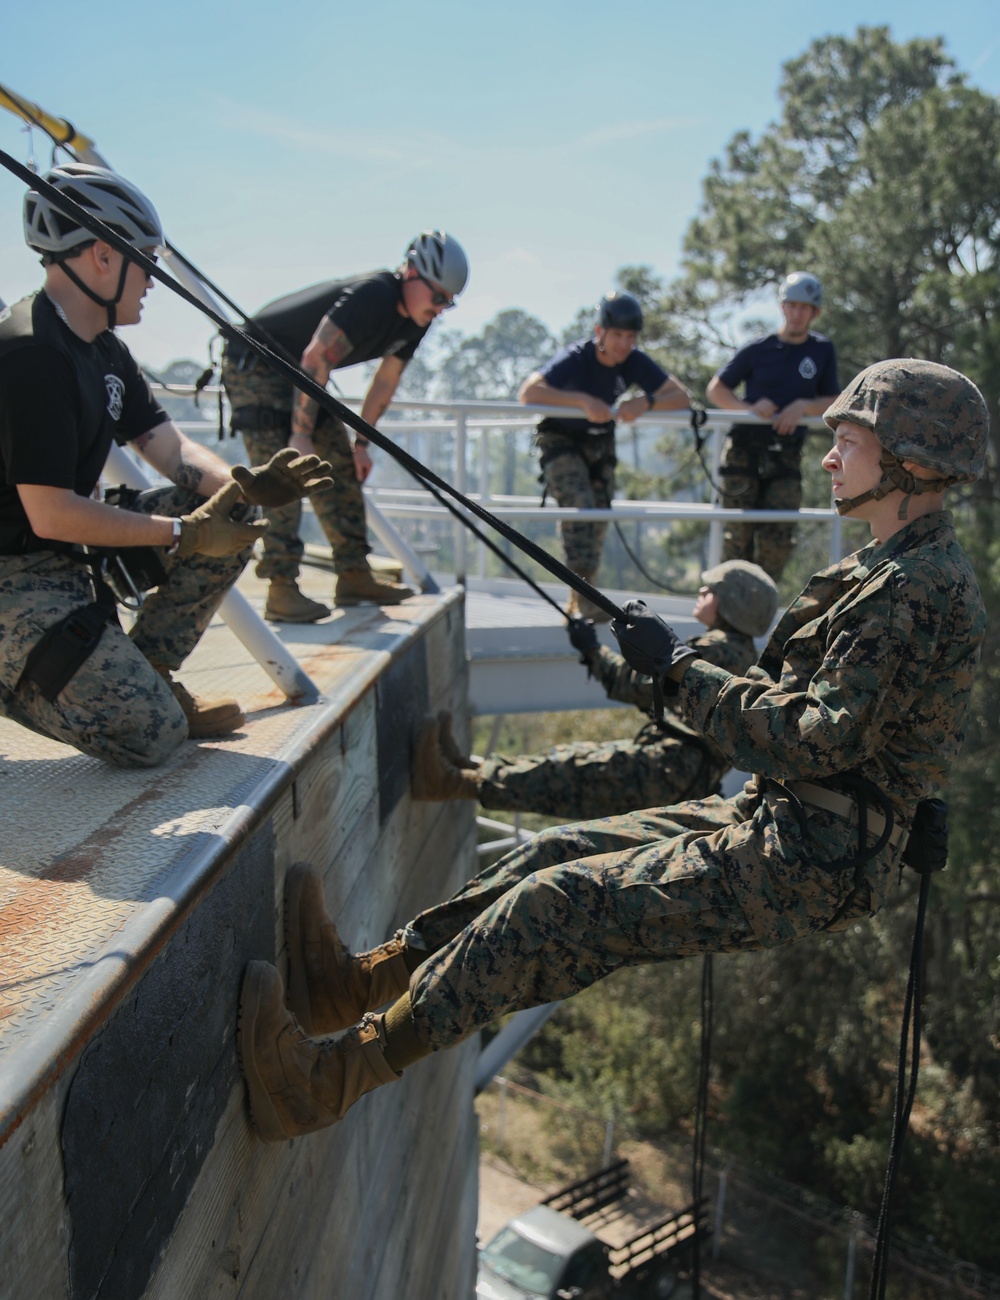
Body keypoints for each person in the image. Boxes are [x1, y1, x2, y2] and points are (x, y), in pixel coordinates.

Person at [237, 358, 987, 1142]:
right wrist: (917, 796)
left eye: (852, 440)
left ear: (916, 461)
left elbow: (814, 736)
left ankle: (325, 1081)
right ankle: (352, 984)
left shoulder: (914, 586)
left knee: (553, 908)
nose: (830, 456)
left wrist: (678, 668)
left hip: (806, 857)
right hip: (785, 822)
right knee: (551, 854)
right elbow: (909, 715)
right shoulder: (891, 570)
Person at [0, 164, 330, 766]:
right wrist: (184, 532)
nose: (151, 277)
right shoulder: (31, 354)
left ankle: (149, 668)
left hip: (67, 554)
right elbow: (49, 514)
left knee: (231, 515)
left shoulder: (101, 346)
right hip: (14, 573)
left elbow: (168, 448)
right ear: (103, 254)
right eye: (145, 258)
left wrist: (242, 487)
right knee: (148, 734)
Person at [222, 232, 469, 622]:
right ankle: (281, 587)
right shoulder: (374, 296)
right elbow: (317, 354)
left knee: (336, 469)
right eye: (437, 296)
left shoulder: (415, 321)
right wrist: (300, 435)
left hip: (305, 376)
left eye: (448, 302)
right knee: (284, 475)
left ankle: (354, 575)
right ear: (411, 273)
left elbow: (385, 382)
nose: (440, 308)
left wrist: (361, 445)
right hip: (257, 364)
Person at [411, 560, 777, 820]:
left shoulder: (717, 651)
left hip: (670, 767)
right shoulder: (735, 652)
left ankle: (448, 781)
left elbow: (635, 685)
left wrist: (590, 650)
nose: (702, 590)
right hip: (676, 767)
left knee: (564, 776)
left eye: (713, 588)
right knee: (565, 766)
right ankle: (466, 768)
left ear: (732, 604)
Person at [518, 291, 691, 621]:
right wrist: (582, 401)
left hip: (599, 446)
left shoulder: (633, 361)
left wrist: (646, 402)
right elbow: (529, 392)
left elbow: (680, 396)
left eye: (630, 337)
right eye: (617, 336)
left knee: (597, 517)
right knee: (580, 508)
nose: (624, 344)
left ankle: (584, 593)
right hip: (561, 441)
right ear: (600, 333)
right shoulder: (576, 357)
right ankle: (582, 596)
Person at [706, 272, 840, 580]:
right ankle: (727, 616)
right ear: (782, 308)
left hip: (786, 457)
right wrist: (748, 409)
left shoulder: (821, 351)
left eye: (804, 308)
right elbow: (717, 390)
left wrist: (804, 407)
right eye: (791, 306)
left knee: (778, 540)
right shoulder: (757, 349)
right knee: (736, 539)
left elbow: (835, 398)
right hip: (743, 454)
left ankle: (759, 614)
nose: (796, 313)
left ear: (814, 313)